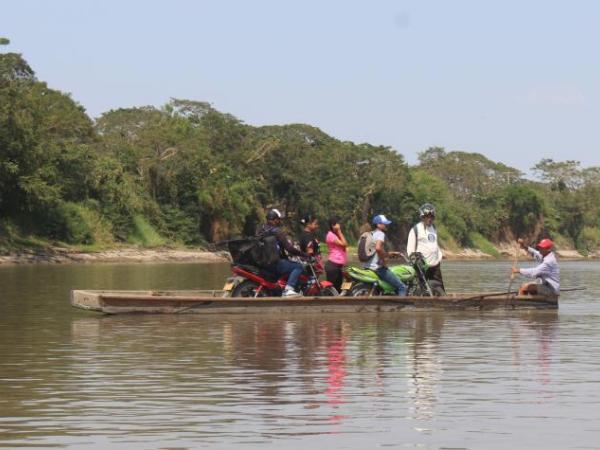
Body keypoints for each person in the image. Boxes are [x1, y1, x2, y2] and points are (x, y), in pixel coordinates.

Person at [259, 209, 310, 297]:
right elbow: (289, 248)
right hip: (275, 263)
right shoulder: (277, 231)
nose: (279, 221)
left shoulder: (260, 230)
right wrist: (304, 254)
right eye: (279, 219)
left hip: (263, 263)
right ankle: (288, 289)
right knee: (298, 266)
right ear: (275, 219)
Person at [406, 203, 445, 293]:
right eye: (427, 216)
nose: (429, 219)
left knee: (439, 288)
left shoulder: (434, 228)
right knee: (420, 289)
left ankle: (442, 303)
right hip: (421, 267)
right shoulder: (415, 230)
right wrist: (415, 262)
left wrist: (439, 257)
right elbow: (410, 250)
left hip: (435, 266)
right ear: (422, 217)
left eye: (431, 217)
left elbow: (435, 244)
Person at [365, 214, 406, 296]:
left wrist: (393, 253)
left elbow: (375, 251)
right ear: (378, 225)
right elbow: (378, 248)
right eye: (384, 223)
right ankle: (403, 308)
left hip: (367, 267)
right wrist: (384, 259)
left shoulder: (369, 234)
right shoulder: (380, 234)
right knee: (402, 287)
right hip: (378, 269)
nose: (387, 225)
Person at [324, 216, 348, 292]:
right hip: (333, 266)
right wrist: (339, 232)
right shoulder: (330, 235)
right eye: (338, 224)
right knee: (332, 290)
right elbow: (344, 244)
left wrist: (339, 233)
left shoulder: (335, 235)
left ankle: (340, 300)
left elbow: (344, 245)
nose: (339, 225)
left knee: (339, 289)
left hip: (338, 266)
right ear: (333, 225)